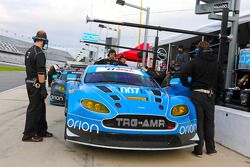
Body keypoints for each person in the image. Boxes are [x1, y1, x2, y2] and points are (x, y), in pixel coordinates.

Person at [179, 41, 224, 157]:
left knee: (198, 122)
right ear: (209, 49)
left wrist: (187, 85)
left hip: (197, 94)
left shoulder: (194, 61)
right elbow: (221, 82)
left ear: (198, 50)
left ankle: (198, 150)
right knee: (210, 123)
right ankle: (211, 149)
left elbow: (183, 73)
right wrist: (217, 95)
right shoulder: (217, 63)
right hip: (210, 95)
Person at [22, 30, 53, 142]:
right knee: (34, 109)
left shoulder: (29, 51)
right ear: (43, 41)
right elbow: (41, 73)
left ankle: (41, 130)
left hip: (30, 82)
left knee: (41, 108)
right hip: (36, 84)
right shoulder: (39, 53)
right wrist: (43, 88)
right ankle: (28, 135)